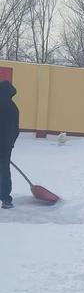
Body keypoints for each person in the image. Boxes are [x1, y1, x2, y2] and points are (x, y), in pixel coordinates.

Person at [0, 80, 19, 209]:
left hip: (5, 146)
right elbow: (15, 130)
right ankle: (6, 199)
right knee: (4, 171)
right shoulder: (14, 108)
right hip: (6, 147)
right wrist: (10, 144)